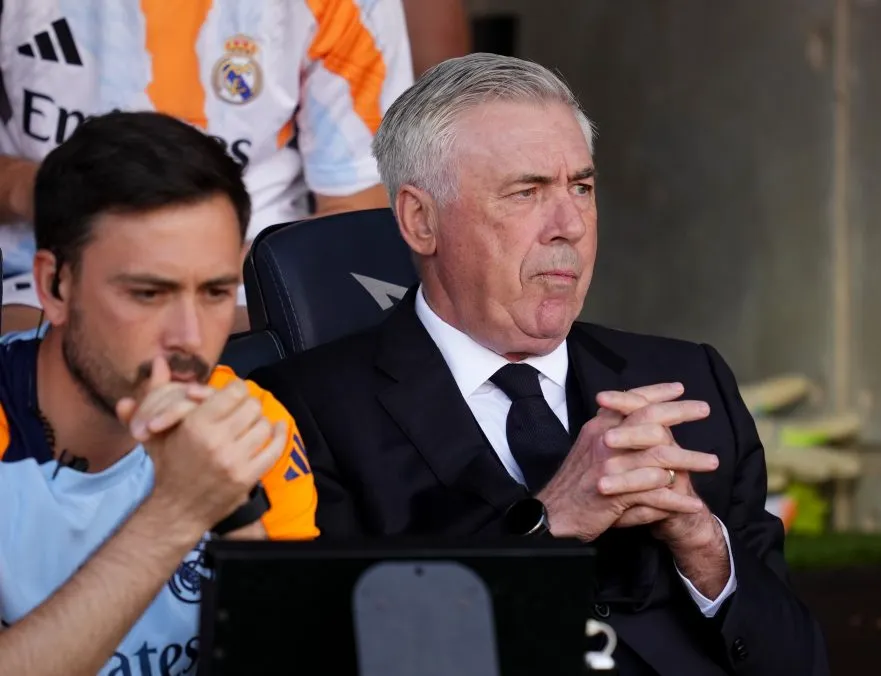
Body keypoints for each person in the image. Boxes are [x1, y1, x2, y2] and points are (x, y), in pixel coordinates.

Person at [248, 53, 828, 675]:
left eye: (581, 186)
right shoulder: (300, 414)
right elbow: (344, 654)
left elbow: (799, 665)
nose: (571, 224)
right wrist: (548, 524)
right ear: (421, 221)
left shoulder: (690, 383)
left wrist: (705, 549)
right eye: (526, 192)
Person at [0, 111, 318, 676]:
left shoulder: (250, 425)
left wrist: (239, 515)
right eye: (149, 293)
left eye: (217, 292)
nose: (190, 339)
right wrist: (177, 512)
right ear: (54, 285)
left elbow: (287, 651)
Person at [0, 0, 415, 332]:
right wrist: (44, 190)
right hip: (36, 279)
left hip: (243, 284)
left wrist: (200, 281)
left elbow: (355, 214)